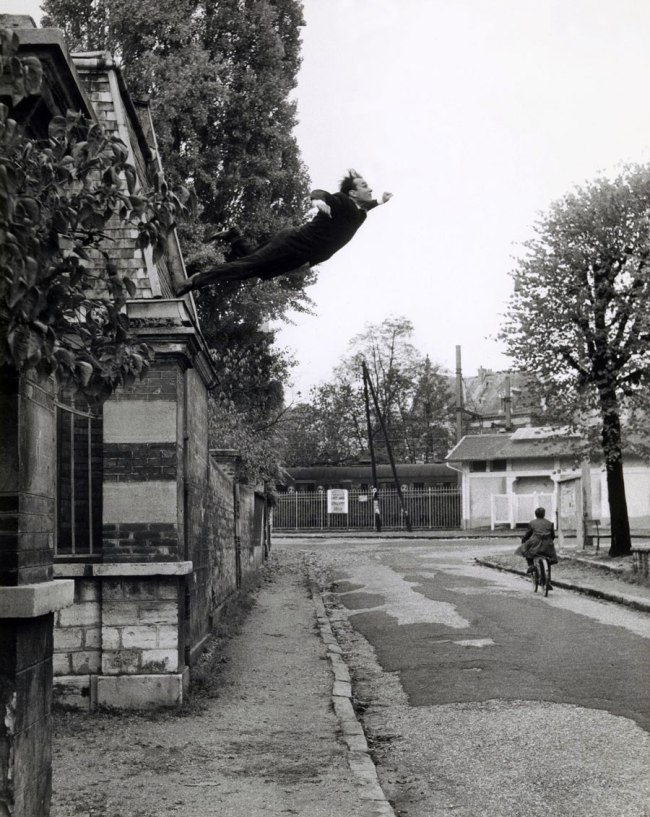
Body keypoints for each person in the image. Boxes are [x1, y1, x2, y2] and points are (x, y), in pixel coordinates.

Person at [176, 169, 393, 295]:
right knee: (249, 267)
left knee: (258, 269)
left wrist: (380, 201)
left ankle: (233, 236)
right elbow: (322, 193)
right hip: (292, 243)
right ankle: (194, 281)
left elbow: (366, 206)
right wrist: (317, 200)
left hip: (301, 256)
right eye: (365, 186)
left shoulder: (360, 213)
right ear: (353, 193)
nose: (370, 188)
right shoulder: (343, 202)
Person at [515, 506, 558, 589]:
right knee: (548, 561)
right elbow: (553, 536)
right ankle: (548, 581)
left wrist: (524, 540)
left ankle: (531, 565)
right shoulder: (550, 523)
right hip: (547, 545)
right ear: (544, 514)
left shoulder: (532, 523)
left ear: (535, 515)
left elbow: (528, 534)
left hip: (535, 543)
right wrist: (549, 541)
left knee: (525, 549)